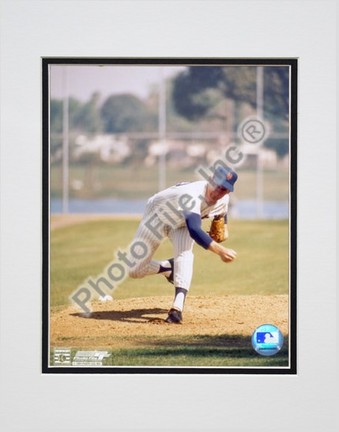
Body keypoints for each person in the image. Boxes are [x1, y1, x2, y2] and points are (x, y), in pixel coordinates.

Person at [127, 165, 238, 324]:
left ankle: (177, 309)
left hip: (182, 225)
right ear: (211, 179)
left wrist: (224, 225)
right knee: (134, 270)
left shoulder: (223, 199)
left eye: (224, 189)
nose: (218, 191)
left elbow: (222, 212)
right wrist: (220, 250)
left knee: (184, 255)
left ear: (228, 191)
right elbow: (194, 229)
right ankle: (167, 267)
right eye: (217, 185)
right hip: (157, 216)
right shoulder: (192, 194)